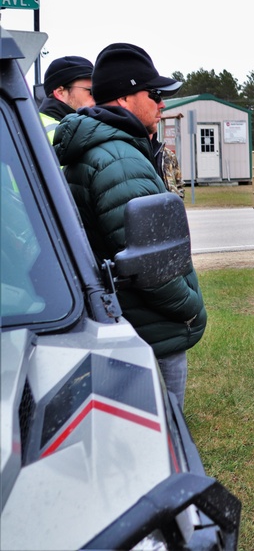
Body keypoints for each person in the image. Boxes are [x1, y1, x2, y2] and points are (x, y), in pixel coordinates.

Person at [52, 42, 203, 410]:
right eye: (153, 94)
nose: (162, 104)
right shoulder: (118, 160)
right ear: (124, 98)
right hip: (149, 328)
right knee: (163, 438)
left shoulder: (109, 149)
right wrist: (189, 307)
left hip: (125, 322)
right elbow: (150, 266)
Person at [38, 55, 95, 142]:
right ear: (60, 93)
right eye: (91, 91)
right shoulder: (50, 132)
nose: (97, 97)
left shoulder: (81, 126)